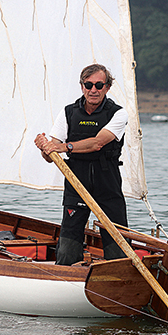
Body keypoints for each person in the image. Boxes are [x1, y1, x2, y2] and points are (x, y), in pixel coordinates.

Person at [34, 64, 129, 265]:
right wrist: (45, 148)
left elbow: (98, 143)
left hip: (107, 182)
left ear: (107, 87)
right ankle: (66, 278)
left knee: (118, 247)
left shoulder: (118, 114)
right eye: (88, 84)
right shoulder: (68, 113)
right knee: (67, 248)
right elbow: (51, 156)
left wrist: (63, 146)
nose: (93, 89)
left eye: (99, 85)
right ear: (82, 86)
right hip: (76, 182)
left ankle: (120, 280)